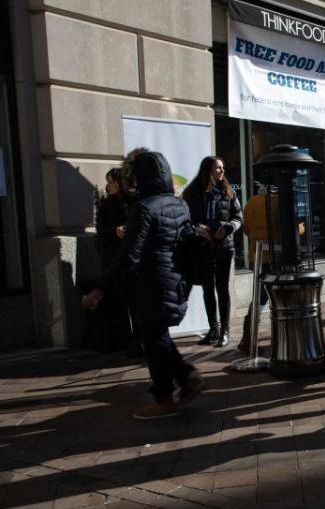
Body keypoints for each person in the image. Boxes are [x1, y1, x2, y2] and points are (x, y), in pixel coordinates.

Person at [82, 149, 204, 421]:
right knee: (157, 334)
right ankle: (186, 376)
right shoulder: (178, 204)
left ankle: (164, 399)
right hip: (176, 279)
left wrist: (100, 288)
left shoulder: (144, 208)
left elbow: (129, 254)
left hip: (152, 282)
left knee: (153, 338)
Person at [237, 184, 305, 354]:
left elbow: (246, 229)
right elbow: (292, 230)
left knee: (259, 299)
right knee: (281, 299)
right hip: (277, 256)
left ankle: (248, 337)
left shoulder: (252, 202)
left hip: (257, 256)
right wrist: (302, 228)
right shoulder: (281, 202)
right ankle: (283, 337)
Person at [183, 156, 243, 348]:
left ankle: (225, 331)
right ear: (208, 169)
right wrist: (199, 228)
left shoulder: (228, 191)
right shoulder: (192, 192)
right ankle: (213, 329)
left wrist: (227, 228)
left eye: (223, 168)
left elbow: (238, 217)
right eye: (218, 168)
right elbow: (185, 220)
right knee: (208, 289)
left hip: (224, 247)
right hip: (203, 248)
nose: (222, 171)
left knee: (222, 289)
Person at [96, 168, 143, 356]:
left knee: (137, 303)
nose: (107, 186)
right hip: (117, 260)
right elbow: (101, 231)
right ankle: (130, 341)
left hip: (135, 260)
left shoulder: (136, 202)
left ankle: (140, 340)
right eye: (107, 182)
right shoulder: (106, 205)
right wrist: (115, 231)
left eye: (110, 182)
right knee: (125, 303)